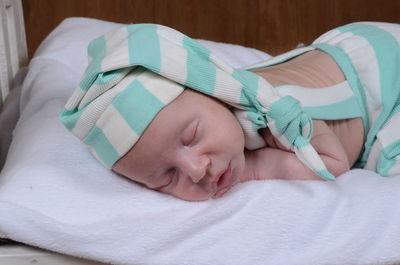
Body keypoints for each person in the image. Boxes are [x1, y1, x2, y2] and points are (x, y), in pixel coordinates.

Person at [60, 22, 400, 201]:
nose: (195, 170)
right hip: (354, 44)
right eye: (167, 178)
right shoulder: (215, 106)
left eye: (191, 137)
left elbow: (335, 163)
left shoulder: (275, 116)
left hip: (385, 89)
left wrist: (255, 166)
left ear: (214, 92)